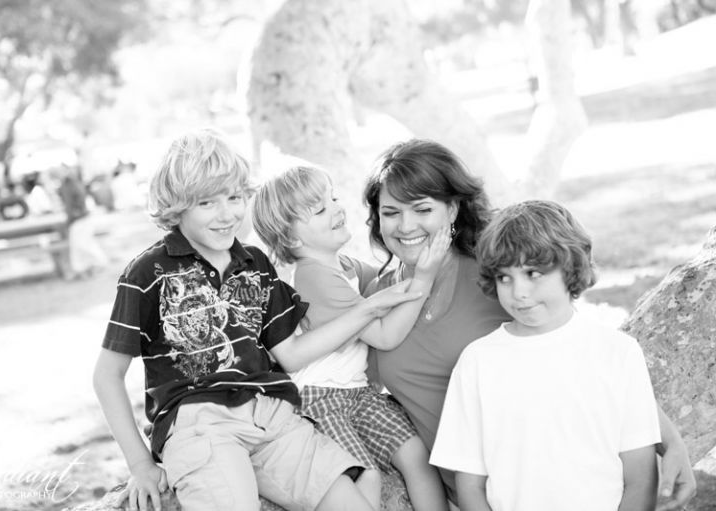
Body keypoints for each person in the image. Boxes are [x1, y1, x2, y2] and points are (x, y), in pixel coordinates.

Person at [92, 129, 424, 511]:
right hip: (199, 421)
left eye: (234, 197)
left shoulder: (254, 263)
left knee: (355, 498)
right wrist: (140, 464)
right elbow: (107, 375)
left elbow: (292, 353)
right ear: (176, 206)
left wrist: (367, 309)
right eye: (207, 202)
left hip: (271, 414)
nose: (226, 214)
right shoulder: (147, 273)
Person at [361, 138, 696, 510]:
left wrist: (670, 441)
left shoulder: (497, 278)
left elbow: (584, 354)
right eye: (391, 212)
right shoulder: (377, 298)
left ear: (452, 209)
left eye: (422, 209)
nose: (406, 225)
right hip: (465, 494)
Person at [430, 199, 660, 510]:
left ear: (571, 268)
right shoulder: (477, 362)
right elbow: (470, 484)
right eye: (504, 277)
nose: (519, 292)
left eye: (533, 273)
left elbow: (641, 477)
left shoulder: (618, 353)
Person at [252, 164, 448, 511]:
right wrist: (425, 277)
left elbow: (389, 285)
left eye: (334, 198)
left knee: (416, 455)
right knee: (365, 475)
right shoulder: (313, 277)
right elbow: (385, 336)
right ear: (293, 239)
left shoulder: (345, 266)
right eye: (320, 210)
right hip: (320, 398)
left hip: (358, 393)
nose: (337, 208)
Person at [58, 165, 108, 279]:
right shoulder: (70, 183)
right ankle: (84, 269)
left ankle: (97, 264)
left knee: (83, 244)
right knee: (78, 245)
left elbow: (76, 201)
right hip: (78, 217)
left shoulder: (70, 183)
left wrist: (74, 214)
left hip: (80, 217)